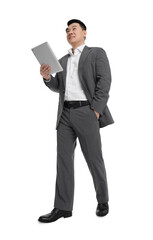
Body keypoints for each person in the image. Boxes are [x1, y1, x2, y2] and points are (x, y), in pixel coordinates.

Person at [38, 19, 114, 223]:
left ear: (84, 32)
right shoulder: (62, 60)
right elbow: (58, 86)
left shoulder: (96, 53)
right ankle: (62, 207)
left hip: (86, 112)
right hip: (64, 114)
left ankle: (103, 200)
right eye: (67, 30)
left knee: (94, 159)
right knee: (63, 161)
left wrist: (96, 111)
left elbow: (104, 81)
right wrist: (47, 78)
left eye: (74, 29)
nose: (70, 32)